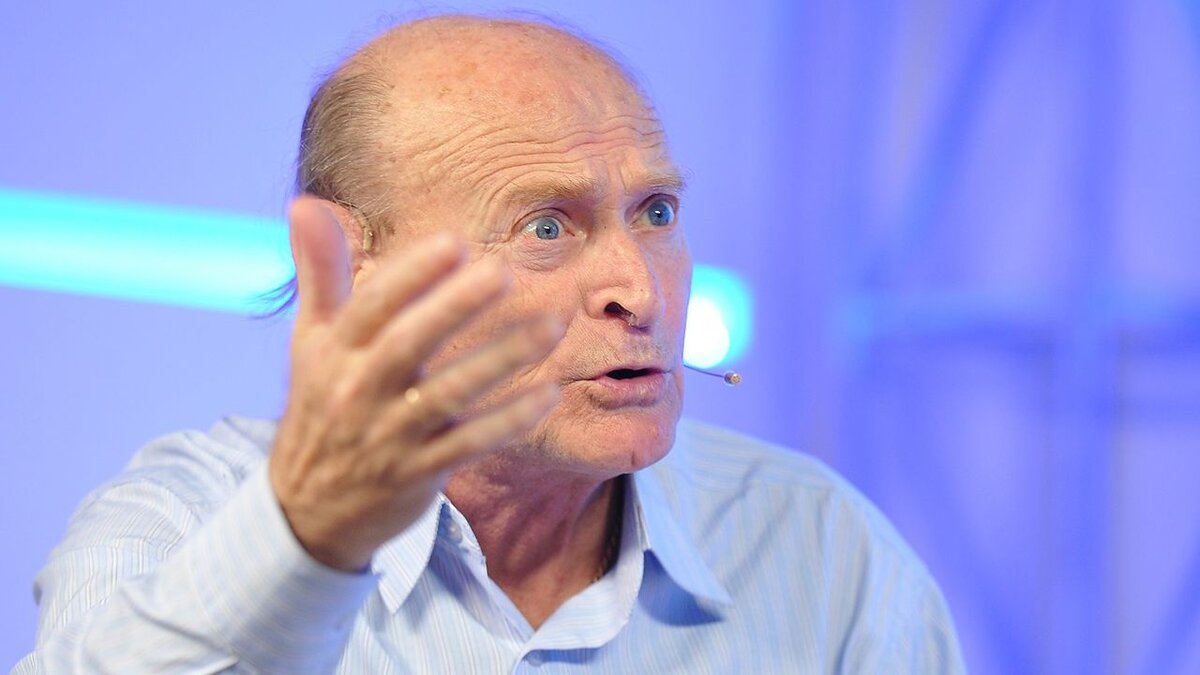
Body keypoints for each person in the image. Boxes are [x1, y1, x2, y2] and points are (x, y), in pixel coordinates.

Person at [16, 14, 964, 674]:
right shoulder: (174, 525)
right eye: (545, 226)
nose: (641, 291)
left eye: (656, 211)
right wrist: (307, 546)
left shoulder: (824, 548)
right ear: (351, 265)